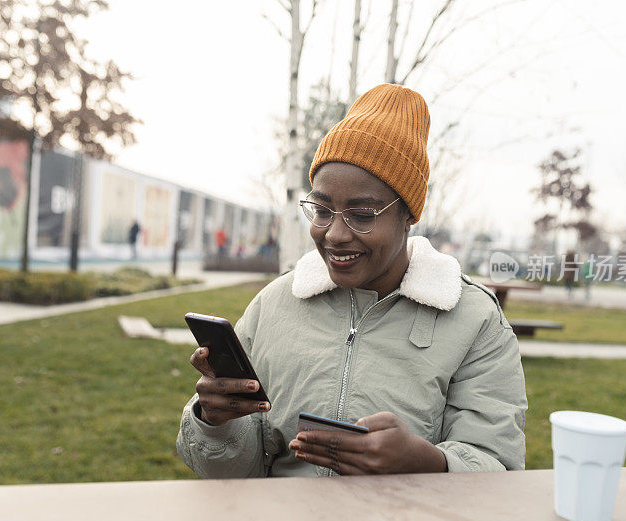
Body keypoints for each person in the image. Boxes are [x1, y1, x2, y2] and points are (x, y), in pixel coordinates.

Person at [176, 84, 527, 478]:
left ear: (408, 215)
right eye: (321, 209)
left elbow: (498, 466)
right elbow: (231, 474)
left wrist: (428, 464)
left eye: (362, 214)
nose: (334, 234)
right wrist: (214, 422)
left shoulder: (475, 321)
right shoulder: (273, 305)